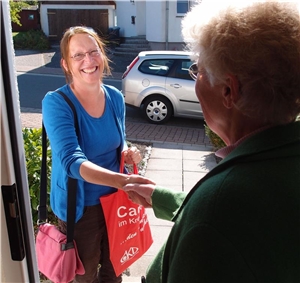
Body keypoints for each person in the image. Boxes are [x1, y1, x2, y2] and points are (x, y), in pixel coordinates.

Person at [123, 1, 300, 282]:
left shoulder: (220, 208)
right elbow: (253, 225)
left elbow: (221, 218)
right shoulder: (282, 162)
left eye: (199, 70)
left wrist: (202, 209)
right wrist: (164, 198)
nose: (195, 80)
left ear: (229, 90)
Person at [42, 26, 154, 283]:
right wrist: (123, 181)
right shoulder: (57, 102)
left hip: (116, 202)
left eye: (94, 52)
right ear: (66, 64)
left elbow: (119, 139)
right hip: (80, 210)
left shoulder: (114, 97)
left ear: (103, 56)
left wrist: (127, 152)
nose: (88, 61)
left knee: (115, 268)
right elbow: (71, 160)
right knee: (85, 274)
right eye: (78, 55)